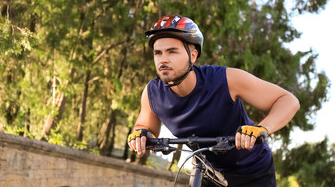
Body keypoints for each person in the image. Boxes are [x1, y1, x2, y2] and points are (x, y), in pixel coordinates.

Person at [127, 15, 300, 186]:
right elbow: (144, 127)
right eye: (158, 53)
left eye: (172, 51)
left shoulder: (225, 80)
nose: (163, 59)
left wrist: (262, 128)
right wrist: (141, 135)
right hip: (207, 172)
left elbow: (287, 100)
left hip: (253, 172)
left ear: (192, 55)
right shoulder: (152, 94)